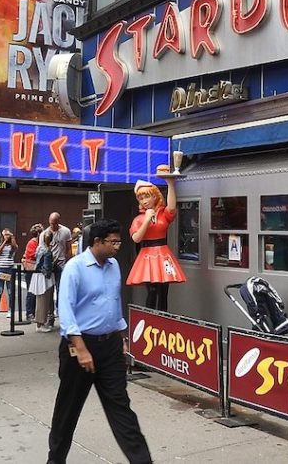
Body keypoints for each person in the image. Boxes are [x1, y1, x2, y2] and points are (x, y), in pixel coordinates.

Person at [47, 219, 152, 464]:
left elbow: (113, 304)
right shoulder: (75, 267)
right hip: (79, 347)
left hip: (110, 348)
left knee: (121, 408)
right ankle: (55, 460)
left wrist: (121, 337)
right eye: (113, 242)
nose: (117, 247)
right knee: (68, 410)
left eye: (119, 241)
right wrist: (81, 348)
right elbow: (66, 310)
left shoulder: (114, 266)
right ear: (97, 242)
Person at [128, 169, 186, 312]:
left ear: (155, 197)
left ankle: (163, 319)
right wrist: (147, 220)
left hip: (163, 253)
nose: (144, 201)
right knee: (152, 290)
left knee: (163, 291)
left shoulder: (162, 215)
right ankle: (150, 318)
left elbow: (171, 208)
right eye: (141, 198)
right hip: (147, 254)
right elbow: (136, 238)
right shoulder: (139, 219)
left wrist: (171, 184)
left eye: (147, 197)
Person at [42, 213, 72, 327]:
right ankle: (50, 316)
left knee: (61, 290)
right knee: (49, 291)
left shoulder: (66, 231)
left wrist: (68, 261)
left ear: (58, 222)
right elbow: (42, 250)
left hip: (61, 263)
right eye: (51, 223)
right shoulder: (45, 233)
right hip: (49, 265)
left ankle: (61, 313)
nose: (53, 225)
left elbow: (68, 248)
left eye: (55, 223)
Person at [31, 230, 55, 332]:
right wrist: (54, 264)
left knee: (39, 300)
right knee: (44, 301)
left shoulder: (39, 248)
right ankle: (40, 324)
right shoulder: (48, 251)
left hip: (37, 276)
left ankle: (40, 323)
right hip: (44, 278)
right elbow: (47, 268)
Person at [0, 228, 17, 320]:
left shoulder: (12, 247)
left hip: (10, 270)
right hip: (1, 270)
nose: (6, 237)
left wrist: (12, 237)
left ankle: (10, 310)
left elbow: (15, 247)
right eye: (5, 235)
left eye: (8, 235)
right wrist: (4, 242)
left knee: (10, 292)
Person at [22, 223, 43, 322]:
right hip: (31, 269)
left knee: (36, 291)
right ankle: (29, 313)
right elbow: (32, 255)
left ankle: (33, 312)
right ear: (38, 233)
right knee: (31, 291)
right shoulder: (32, 242)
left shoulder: (38, 243)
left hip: (36, 268)